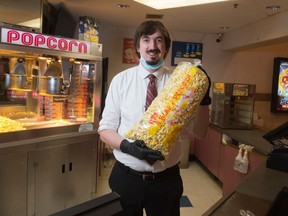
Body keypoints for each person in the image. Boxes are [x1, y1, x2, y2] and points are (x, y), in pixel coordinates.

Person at [98, 20, 211, 216]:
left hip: (166, 182)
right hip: (126, 178)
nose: (152, 46)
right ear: (137, 47)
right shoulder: (121, 80)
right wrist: (128, 146)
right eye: (146, 40)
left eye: (159, 40)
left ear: (166, 47)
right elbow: (105, 130)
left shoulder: (182, 82)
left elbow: (200, 133)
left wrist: (204, 100)